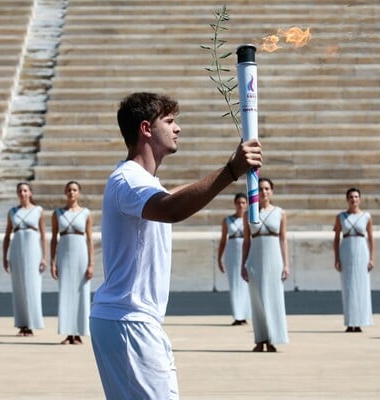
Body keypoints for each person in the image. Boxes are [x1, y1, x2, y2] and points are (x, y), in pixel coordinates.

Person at [89, 92, 262, 399]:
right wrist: (230, 171)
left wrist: (232, 171)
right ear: (146, 129)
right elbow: (171, 209)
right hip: (130, 321)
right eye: (169, 121)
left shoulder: (141, 182)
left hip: (133, 321)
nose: (177, 128)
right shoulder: (128, 181)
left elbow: (169, 196)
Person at [241, 177, 289, 352]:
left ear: (272, 191)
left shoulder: (280, 213)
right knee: (257, 300)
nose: (264, 192)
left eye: (267, 189)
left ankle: (273, 338)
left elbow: (283, 239)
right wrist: (243, 264)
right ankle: (260, 339)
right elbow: (246, 242)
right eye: (260, 189)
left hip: (274, 259)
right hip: (255, 259)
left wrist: (286, 264)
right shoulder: (249, 214)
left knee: (273, 298)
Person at [50, 181, 94, 345]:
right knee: (66, 293)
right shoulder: (58, 213)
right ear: (65, 192)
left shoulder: (85, 213)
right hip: (64, 254)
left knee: (81, 292)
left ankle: (79, 333)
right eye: (69, 190)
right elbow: (54, 239)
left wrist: (91, 264)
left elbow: (89, 239)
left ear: (79, 193)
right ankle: (68, 333)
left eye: (74, 190)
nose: (71, 192)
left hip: (81, 254)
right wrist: (53, 262)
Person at [2, 182, 47, 336]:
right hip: (16, 249)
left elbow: (43, 236)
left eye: (25, 190)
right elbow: (7, 236)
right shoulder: (12, 212)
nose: (23, 193)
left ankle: (33, 323)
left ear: (30, 193)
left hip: (33, 249)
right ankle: (22, 325)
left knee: (32, 286)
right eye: (20, 191)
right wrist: (5, 257)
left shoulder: (38, 210)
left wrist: (44, 257)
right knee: (19, 287)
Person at [333, 187, 374, 333]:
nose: (354, 200)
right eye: (351, 197)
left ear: (360, 199)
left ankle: (361, 321)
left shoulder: (366, 216)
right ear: (347, 199)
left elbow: (370, 238)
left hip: (361, 250)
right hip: (346, 250)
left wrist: (372, 258)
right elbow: (336, 238)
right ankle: (350, 322)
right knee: (348, 287)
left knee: (362, 287)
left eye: (356, 197)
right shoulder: (341, 217)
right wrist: (337, 258)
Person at [217, 192, 252, 326]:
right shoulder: (227, 220)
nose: (241, 206)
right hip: (232, 253)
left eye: (243, 203)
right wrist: (219, 258)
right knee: (234, 284)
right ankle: (237, 315)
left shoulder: (250, 219)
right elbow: (223, 240)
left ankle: (245, 315)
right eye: (238, 203)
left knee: (245, 284)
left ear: (247, 204)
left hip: (246, 252)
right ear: (235, 204)